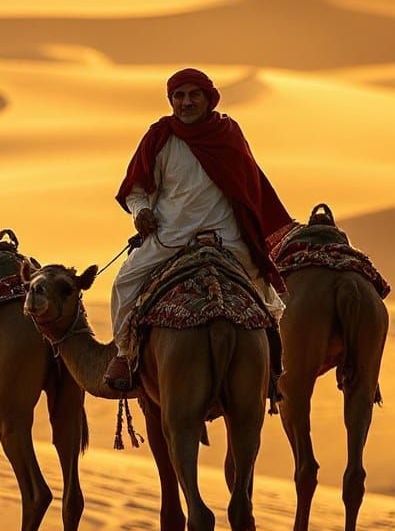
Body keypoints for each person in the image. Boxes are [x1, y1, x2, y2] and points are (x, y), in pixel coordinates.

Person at [104, 68, 292, 392]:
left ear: (208, 98)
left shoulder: (228, 134)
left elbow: (249, 190)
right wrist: (141, 211)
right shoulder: (159, 137)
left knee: (266, 295)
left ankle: (272, 367)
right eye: (179, 96)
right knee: (125, 281)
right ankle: (125, 352)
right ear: (170, 100)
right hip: (170, 237)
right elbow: (135, 188)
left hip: (226, 239)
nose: (186, 102)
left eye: (194, 95)